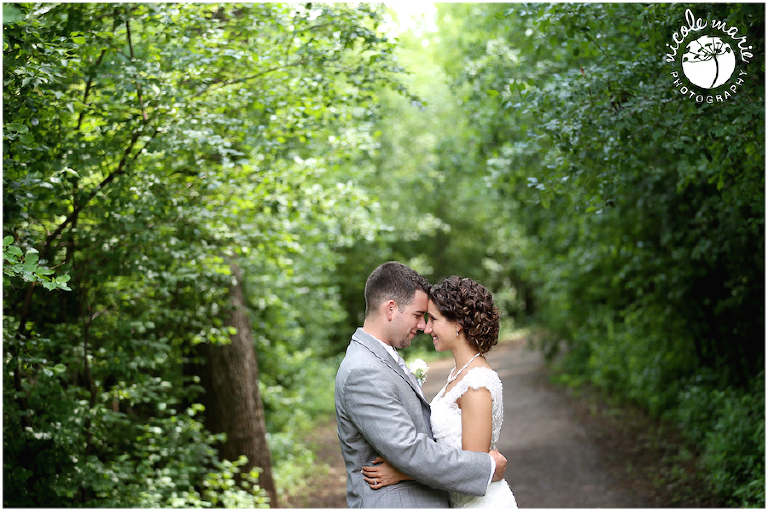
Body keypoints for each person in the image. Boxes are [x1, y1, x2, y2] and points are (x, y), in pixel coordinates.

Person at [335, 262, 508, 508]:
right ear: (391, 309)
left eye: (429, 318)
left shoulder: (381, 359)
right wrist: (487, 467)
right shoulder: (363, 370)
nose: (422, 326)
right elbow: (408, 449)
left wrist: (404, 472)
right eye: (418, 315)